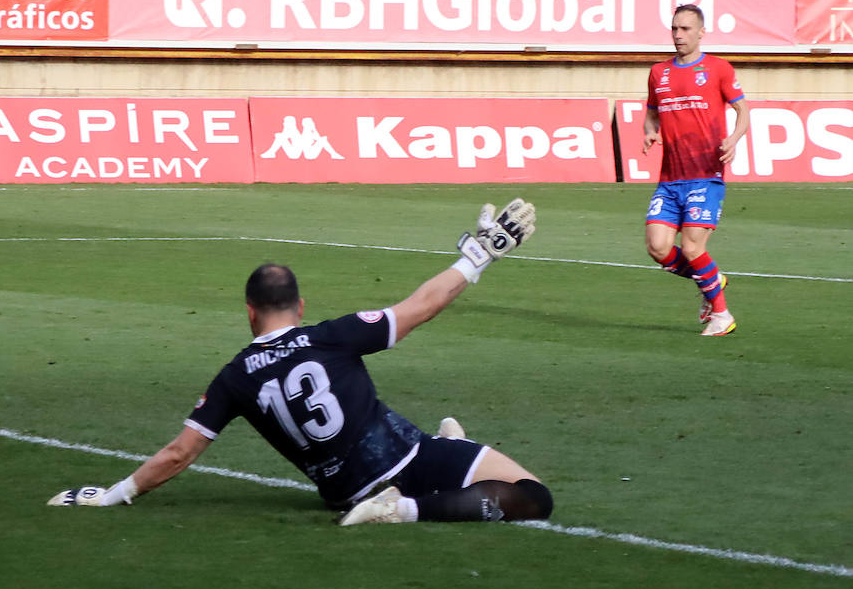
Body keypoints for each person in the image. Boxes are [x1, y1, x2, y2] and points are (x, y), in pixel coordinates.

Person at [49, 200, 555, 527]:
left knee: (436, 444)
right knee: (533, 496)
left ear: (249, 312)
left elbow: (179, 453)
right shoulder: (331, 335)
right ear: (301, 306)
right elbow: (422, 305)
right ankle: (403, 508)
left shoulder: (235, 376)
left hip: (342, 492)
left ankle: (443, 453)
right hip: (406, 461)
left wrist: (114, 494)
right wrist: (480, 255)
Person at [643, 4, 750, 338]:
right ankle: (711, 278)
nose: (678, 35)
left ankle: (722, 316)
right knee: (657, 247)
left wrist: (733, 138)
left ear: (701, 32)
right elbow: (651, 111)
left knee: (692, 248)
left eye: (685, 29)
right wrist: (649, 130)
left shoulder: (717, 68)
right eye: (674, 28)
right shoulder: (658, 72)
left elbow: (743, 110)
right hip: (670, 178)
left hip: (706, 174)